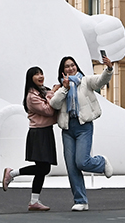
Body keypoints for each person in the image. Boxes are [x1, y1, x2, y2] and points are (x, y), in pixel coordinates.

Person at [49, 55, 114, 211]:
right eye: (67, 66)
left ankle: (101, 162)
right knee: (72, 167)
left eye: (73, 65)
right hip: (67, 128)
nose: (70, 68)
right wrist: (64, 88)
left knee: (82, 162)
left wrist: (109, 68)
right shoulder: (61, 87)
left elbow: (100, 81)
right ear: (62, 70)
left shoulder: (85, 81)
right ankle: (80, 200)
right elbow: (54, 104)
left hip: (84, 126)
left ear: (76, 67)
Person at [2, 66, 60, 211]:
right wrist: (53, 93)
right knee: (43, 167)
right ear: (30, 78)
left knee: (43, 168)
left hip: (46, 131)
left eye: (41, 73)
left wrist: (52, 91)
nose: (40, 76)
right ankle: (12, 173)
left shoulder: (43, 91)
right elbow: (49, 110)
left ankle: (34, 201)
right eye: (36, 74)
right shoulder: (31, 96)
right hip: (38, 133)